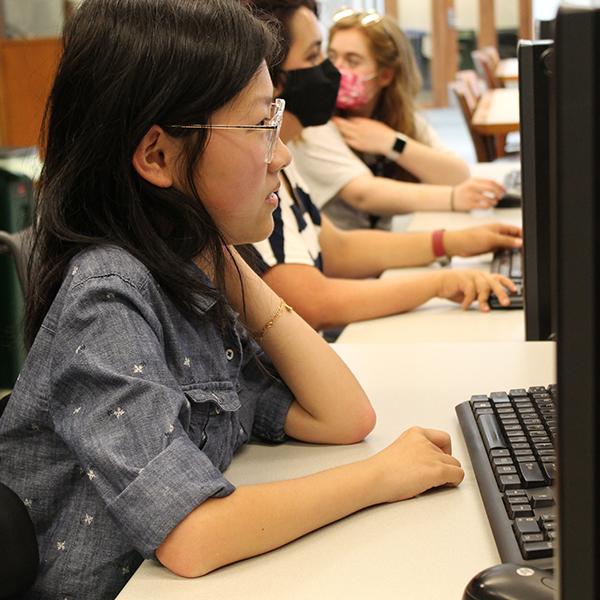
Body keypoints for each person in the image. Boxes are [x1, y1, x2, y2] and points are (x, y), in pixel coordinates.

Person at [0, 1, 466, 598]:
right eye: (259, 126)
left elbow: (343, 417)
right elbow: (193, 534)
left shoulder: (189, 273)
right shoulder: (106, 297)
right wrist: (380, 477)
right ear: (158, 156)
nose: (282, 154)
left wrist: (227, 264)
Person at [247, 0, 521, 330]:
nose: (331, 70)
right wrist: (438, 283)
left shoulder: (282, 156)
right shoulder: (252, 169)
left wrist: (453, 241)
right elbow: (313, 302)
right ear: (272, 75)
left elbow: (337, 249)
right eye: (317, 55)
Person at [288, 6, 506, 231]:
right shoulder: (313, 123)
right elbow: (363, 194)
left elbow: (457, 175)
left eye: (352, 61)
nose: (336, 69)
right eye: (332, 56)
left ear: (385, 75)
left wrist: (392, 143)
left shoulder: (398, 117)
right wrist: (453, 198)